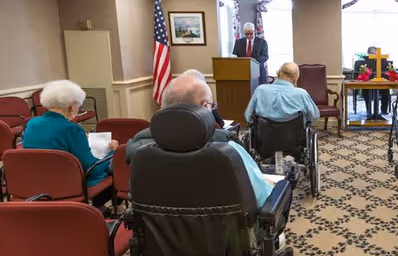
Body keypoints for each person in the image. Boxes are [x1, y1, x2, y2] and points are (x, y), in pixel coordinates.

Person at [128, 75, 276, 211]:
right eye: (212, 105)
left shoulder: (139, 148)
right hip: (225, 238)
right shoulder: (227, 149)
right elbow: (261, 199)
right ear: (205, 106)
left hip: (159, 238)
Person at [22, 80, 118, 211]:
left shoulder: (32, 123)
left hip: (36, 182)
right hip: (68, 185)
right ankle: (98, 210)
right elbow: (92, 169)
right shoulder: (71, 128)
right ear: (72, 107)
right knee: (116, 167)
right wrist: (112, 152)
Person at [244, 62, 319, 125]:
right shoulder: (301, 94)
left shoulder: (260, 90)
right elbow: (314, 115)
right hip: (294, 138)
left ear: (278, 73)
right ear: (296, 78)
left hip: (264, 137)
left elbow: (248, 116)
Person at [362, 46, 390, 115]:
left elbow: (387, 72)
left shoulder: (383, 60)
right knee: (365, 89)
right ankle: (368, 110)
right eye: (371, 52)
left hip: (381, 83)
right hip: (369, 84)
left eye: (374, 52)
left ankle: (384, 109)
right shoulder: (365, 61)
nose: (373, 53)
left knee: (386, 89)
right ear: (368, 53)